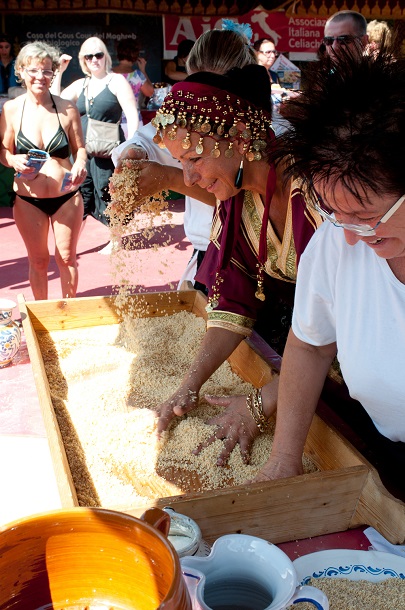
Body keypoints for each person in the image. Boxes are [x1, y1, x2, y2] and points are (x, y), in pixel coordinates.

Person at [239, 45, 405, 501]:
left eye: (367, 216)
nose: (351, 236)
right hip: (384, 449)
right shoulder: (337, 239)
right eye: (334, 212)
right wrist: (284, 459)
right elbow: (310, 344)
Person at [143, 63, 322, 442]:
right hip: (312, 358)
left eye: (195, 159)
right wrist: (189, 385)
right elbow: (232, 302)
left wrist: (263, 401)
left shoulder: (315, 191)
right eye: (179, 164)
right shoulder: (238, 199)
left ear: (240, 137)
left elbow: (342, 319)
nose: (189, 180)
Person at [112, 26, 259, 290]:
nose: (190, 178)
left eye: (215, 90)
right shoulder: (188, 115)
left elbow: (241, 203)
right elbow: (147, 138)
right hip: (206, 254)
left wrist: (168, 178)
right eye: (184, 160)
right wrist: (135, 154)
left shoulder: (262, 133)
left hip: (253, 264)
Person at [0, 41, 87, 299]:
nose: (41, 76)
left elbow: (80, 148)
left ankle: (68, 316)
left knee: (67, 258)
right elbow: (2, 151)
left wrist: (81, 163)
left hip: (67, 197)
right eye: (34, 70)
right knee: (38, 261)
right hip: (29, 200)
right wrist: (13, 161)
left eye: (47, 71)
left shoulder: (68, 109)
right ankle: (42, 318)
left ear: (53, 74)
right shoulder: (11, 109)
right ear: (22, 72)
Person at [53, 37, 138, 230]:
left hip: (109, 151)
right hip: (84, 152)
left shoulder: (116, 81)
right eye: (89, 56)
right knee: (80, 194)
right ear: (83, 60)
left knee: (109, 194)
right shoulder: (80, 84)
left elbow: (132, 114)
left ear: (105, 56)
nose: (94, 59)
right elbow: (55, 101)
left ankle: (115, 240)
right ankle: (74, 243)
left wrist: (130, 146)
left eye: (98, 54)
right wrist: (59, 72)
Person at [113, 39, 154, 136]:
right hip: (134, 122)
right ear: (135, 55)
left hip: (113, 122)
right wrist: (143, 70)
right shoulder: (137, 75)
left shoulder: (109, 74)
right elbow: (150, 92)